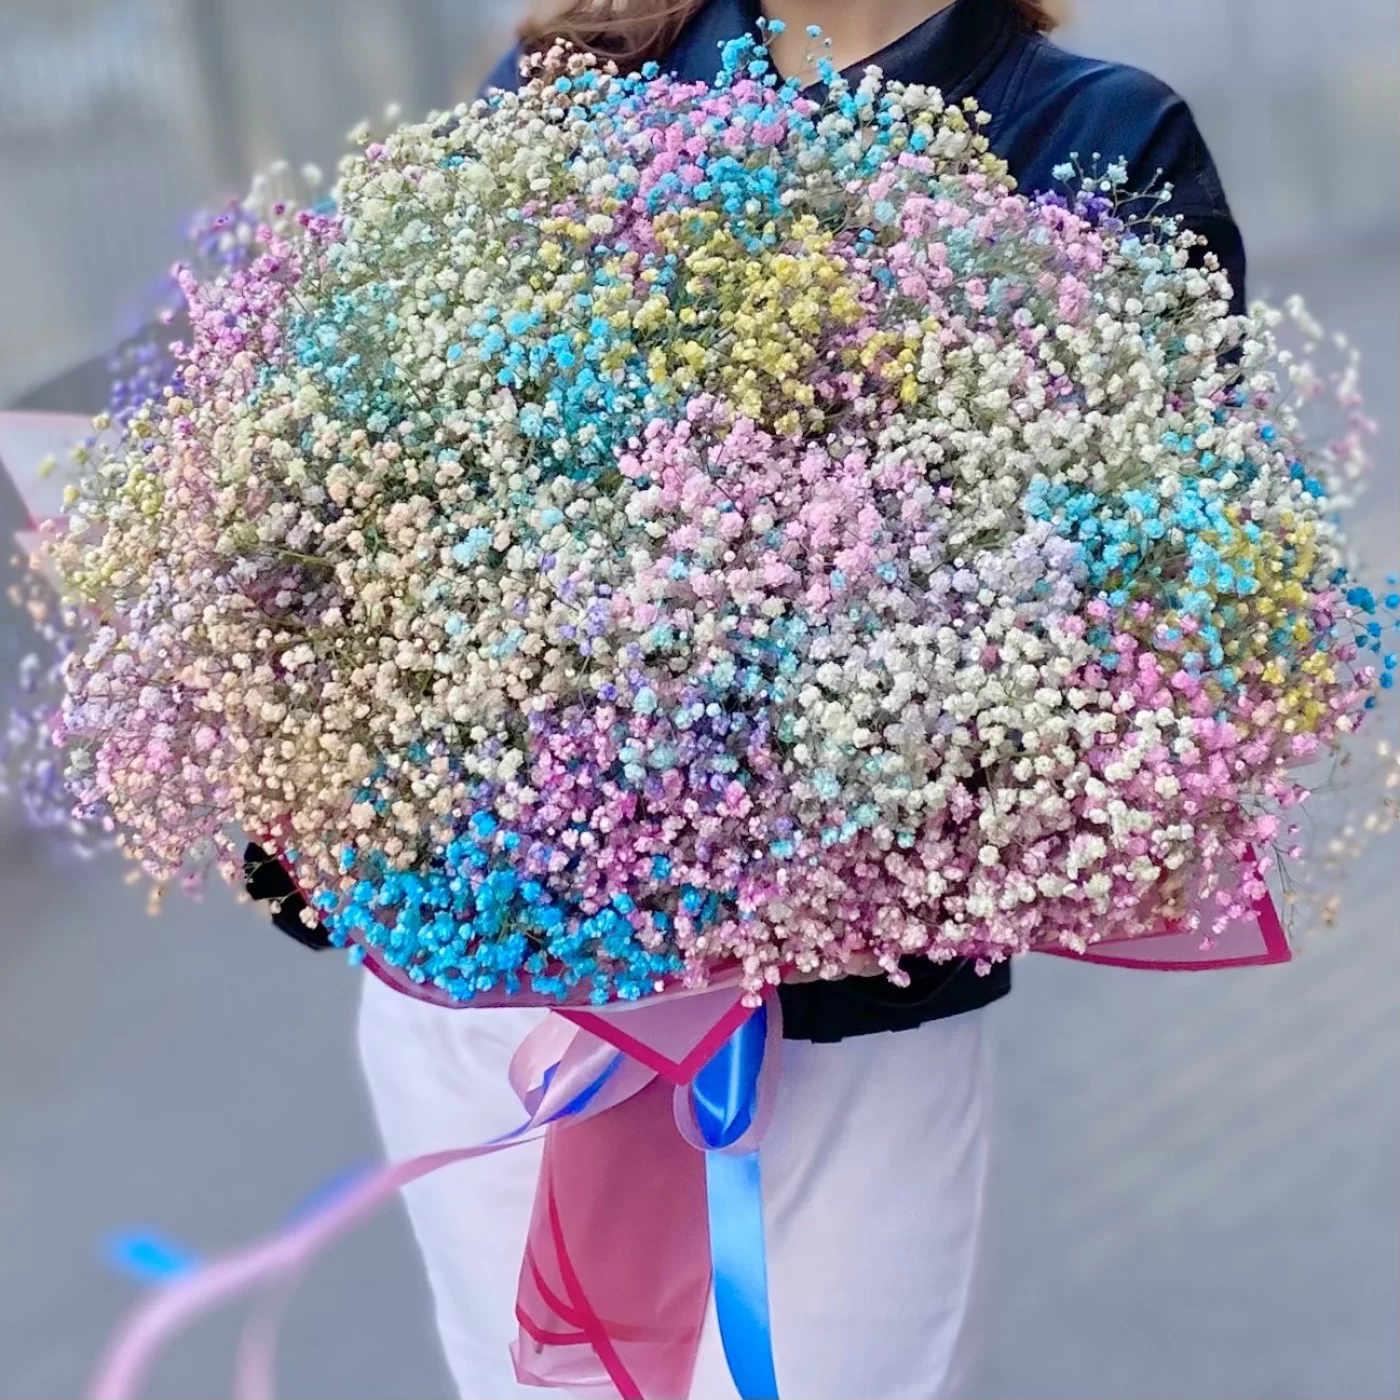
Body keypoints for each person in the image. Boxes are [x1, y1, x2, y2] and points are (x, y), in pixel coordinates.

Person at [254, 2, 1246, 1395]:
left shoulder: (1090, 134)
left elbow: (1151, 616)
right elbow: (366, 482)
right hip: (483, 1004)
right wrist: (299, 764)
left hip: (828, 1043)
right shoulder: (583, 65)